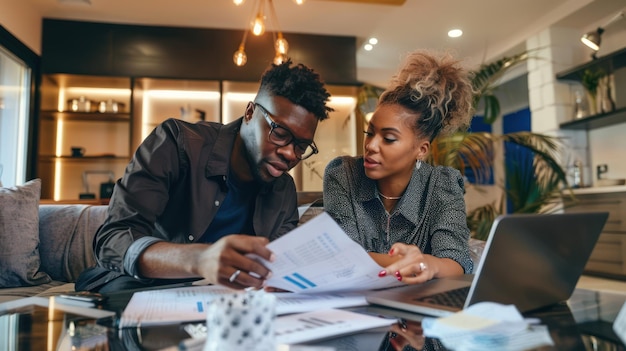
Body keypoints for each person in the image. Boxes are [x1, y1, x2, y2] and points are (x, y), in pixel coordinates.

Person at [76, 60, 333, 293]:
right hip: (139, 286)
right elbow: (113, 240)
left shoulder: (283, 189)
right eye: (279, 133)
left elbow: (275, 266)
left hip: (224, 301)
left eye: (301, 146)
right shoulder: (177, 143)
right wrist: (199, 259)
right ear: (250, 113)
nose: (290, 154)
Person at [323, 49, 474, 285]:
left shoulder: (443, 185)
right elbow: (341, 256)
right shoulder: (343, 175)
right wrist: (411, 262)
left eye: (389, 139)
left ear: (421, 149)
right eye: (369, 133)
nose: (371, 146)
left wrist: (429, 264)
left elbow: (456, 262)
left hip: (418, 306)